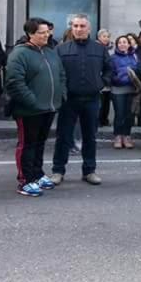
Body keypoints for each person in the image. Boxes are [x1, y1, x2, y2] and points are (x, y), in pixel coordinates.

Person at [5, 18, 66, 197]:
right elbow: (15, 82)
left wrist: (61, 95)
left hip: (48, 107)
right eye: (42, 32)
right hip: (29, 110)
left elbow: (61, 75)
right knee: (27, 145)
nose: (46, 35)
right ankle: (25, 180)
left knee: (40, 144)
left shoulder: (50, 52)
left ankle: (37, 174)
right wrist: (32, 101)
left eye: (48, 31)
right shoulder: (20, 54)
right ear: (30, 34)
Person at [51, 14, 111, 185]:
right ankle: (58, 171)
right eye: (75, 26)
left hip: (92, 99)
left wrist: (101, 83)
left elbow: (109, 69)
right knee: (63, 136)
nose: (78, 29)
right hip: (68, 100)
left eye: (82, 26)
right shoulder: (61, 49)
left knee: (90, 136)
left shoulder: (100, 49)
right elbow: (55, 72)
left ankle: (89, 171)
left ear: (89, 28)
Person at [110, 35, 140, 149]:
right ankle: (118, 136)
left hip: (132, 89)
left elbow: (139, 70)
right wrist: (119, 79)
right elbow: (110, 73)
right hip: (118, 90)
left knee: (129, 115)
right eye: (120, 42)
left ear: (129, 44)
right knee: (119, 114)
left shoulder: (135, 56)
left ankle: (127, 135)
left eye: (125, 42)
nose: (122, 44)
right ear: (117, 45)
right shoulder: (113, 58)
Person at [97, 29, 113, 127]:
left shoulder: (112, 49)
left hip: (109, 79)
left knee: (107, 102)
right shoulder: (95, 48)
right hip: (99, 78)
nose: (106, 38)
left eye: (108, 36)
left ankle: (104, 119)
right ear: (99, 37)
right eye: (104, 36)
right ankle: (98, 120)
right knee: (100, 102)